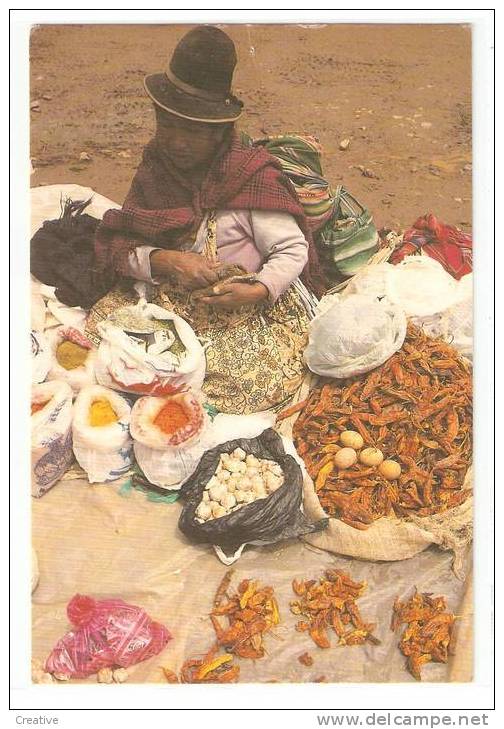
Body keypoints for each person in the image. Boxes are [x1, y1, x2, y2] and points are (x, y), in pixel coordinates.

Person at [87, 25, 326, 414]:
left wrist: (262, 287)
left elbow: (291, 248)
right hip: (170, 299)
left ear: (220, 133)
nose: (177, 142)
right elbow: (120, 245)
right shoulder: (157, 169)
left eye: (193, 132)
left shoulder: (248, 178)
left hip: (239, 312)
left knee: (247, 387)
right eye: (168, 126)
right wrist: (164, 260)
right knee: (102, 334)